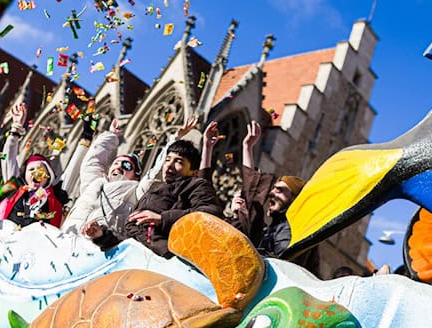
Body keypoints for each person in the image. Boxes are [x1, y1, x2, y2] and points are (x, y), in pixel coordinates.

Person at [81, 121, 223, 257]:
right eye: (167, 160)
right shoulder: (149, 195)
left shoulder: (193, 185)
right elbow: (129, 240)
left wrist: (162, 219)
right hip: (128, 257)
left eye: (178, 162)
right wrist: (100, 235)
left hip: (164, 258)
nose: (169, 165)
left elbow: (210, 212)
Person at [201, 121, 320, 275]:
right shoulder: (271, 228)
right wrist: (245, 148)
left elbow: (282, 270)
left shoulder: (296, 230)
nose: (271, 193)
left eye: (280, 190)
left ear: (295, 199)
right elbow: (205, 197)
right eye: (274, 189)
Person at [63, 118, 153, 234]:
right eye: (116, 163)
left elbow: (153, 176)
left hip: (99, 245)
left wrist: (172, 143)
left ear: (136, 176)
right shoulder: (95, 182)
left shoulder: (135, 191)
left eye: (127, 166)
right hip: (69, 237)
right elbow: (93, 161)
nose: (119, 167)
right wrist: (111, 135)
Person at [0, 102, 67, 228]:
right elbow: (8, 158)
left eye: (40, 169)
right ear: (25, 175)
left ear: (48, 176)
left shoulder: (55, 200)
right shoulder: (15, 190)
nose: (35, 172)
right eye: (31, 169)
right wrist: (16, 128)